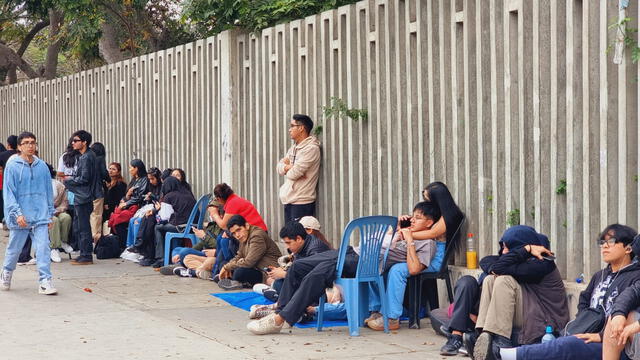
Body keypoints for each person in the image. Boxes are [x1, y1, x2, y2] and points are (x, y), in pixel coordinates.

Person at [497, 224, 640, 360]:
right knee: (562, 342)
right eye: (602, 242)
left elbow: (629, 304)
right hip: (588, 333)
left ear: (628, 248)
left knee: (568, 346)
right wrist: (582, 324)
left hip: (615, 345)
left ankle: (510, 356)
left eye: (612, 241)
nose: (604, 246)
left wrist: (601, 335)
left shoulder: (635, 276)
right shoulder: (600, 275)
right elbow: (584, 300)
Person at [469, 225, 569, 360]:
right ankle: (483, 334)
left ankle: (501, 342)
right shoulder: (521, 259)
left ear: (519, 246)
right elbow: (486, 262)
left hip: (545, 318)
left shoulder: (542, 262)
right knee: (490, 280)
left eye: (507, 248)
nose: (504, 252)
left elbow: (498, 267)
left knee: (503, 280)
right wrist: (524, 251)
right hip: (530, 308)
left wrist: (526, 249)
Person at [366, 201, 443, 331]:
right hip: (405, 256)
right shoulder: (408, 231)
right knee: (375, 264)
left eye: (417, 218)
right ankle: (378, 311)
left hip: (421, 261)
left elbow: (414, 268)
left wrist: (409, 239)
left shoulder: (430, 238)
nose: (412, 220)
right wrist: (396, 228)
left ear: (429, 223)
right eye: (412, 217)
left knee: (397, 270)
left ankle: (392, 318)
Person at [0, 132, 57, 294]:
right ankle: (7, 272)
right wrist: (16, 214)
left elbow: (47, 190)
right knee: (14, 249)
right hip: (20, 217)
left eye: (33, 142)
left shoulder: (42, 166)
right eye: (26, 143)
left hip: (40, 215)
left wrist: (50, 213)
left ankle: (45, 281)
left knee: (43, 247)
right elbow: (9, 193)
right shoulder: (12, 166)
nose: (30, 145)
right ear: (19, 146)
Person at [249, 220, 331, 316]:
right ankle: (282, 307)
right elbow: (300, 269)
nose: (287, 247)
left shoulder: (315, 249)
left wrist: (284, 274)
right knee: (279, 282)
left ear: (299, 239)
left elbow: (314, 276)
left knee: (281, 283)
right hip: (307, 288)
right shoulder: (304, 245)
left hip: (318, 290)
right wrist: (281, 271)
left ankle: (285, 310)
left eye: (288, 243)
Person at [142, 176, 196, 268]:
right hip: (193, 225)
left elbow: (164, 217)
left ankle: (161, 258)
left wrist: (157, 211)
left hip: (180, 226)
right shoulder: (188, 194)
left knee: (158, 227)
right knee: (169, 228)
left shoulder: (169, 196)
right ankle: (171, 256)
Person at [276, 114, 321, 223]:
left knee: (299, 239)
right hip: (289, 199)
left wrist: (288, 168)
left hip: (302, 202)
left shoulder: (311, 149)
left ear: (301, 128)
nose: (289, 130)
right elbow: (279, 167)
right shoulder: (294, 148)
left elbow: (293, 174)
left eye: (292, 126)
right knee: (289, 238)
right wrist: (288, 167)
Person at [64, 130, 99, 265]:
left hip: (83, 196)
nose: (73, 143)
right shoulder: (85, 156)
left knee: (83, 226)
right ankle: (84, 253)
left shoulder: (86, 157)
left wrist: (69, 180)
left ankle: (86, 255)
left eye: (76, 140)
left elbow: (84, 178)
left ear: (84, 142)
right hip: (83, 195)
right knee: (80, 225)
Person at [217, 215, 281, 290]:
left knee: (240, 272)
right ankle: (233, 280)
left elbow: (249, 262)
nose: (237, 235)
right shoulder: (243, 236)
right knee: (223, 263)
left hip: (267, 272)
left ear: (247, 226)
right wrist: (226, 267)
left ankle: (236, 281)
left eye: (238, 230)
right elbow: (239, 256)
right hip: (255, 268)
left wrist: (227, 267)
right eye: (234, 233)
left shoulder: (257, 236)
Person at [167, 203, 224, 278]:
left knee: (184, 253)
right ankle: (183, 265)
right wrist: (190, 250)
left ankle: (188, 270)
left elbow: (220, 246)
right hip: (205, 253)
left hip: (213, 255)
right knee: (177, 250)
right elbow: (202, 244)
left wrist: (204, 237)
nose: (211, 215)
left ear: (221, 215)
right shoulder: (213, 225)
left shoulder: (224, 228)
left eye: (212, 213)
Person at [48, 165, 74, 262]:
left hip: (58, 210)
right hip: (44, 213)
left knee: (66, 217)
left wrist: (59, 210)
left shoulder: (58, 185)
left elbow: (64, 202)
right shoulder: (37, 185)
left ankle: (63, 241)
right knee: (53, 221)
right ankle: (54, 247)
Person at [89, 142, 108, 242]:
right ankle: (96, 237)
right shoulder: (100, 159)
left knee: (90, 214)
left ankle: (90, 236)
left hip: (87, 191)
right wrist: (108, 180)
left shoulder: (87, 158)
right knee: (97, 214)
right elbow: (104, 173)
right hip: (97, 190)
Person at [0, 135, 18, 226]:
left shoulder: (3, 155)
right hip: (20, 183)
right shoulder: (21, 155)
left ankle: (8, 222)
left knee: (7, 203)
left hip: (6, 183)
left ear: (8, 144)